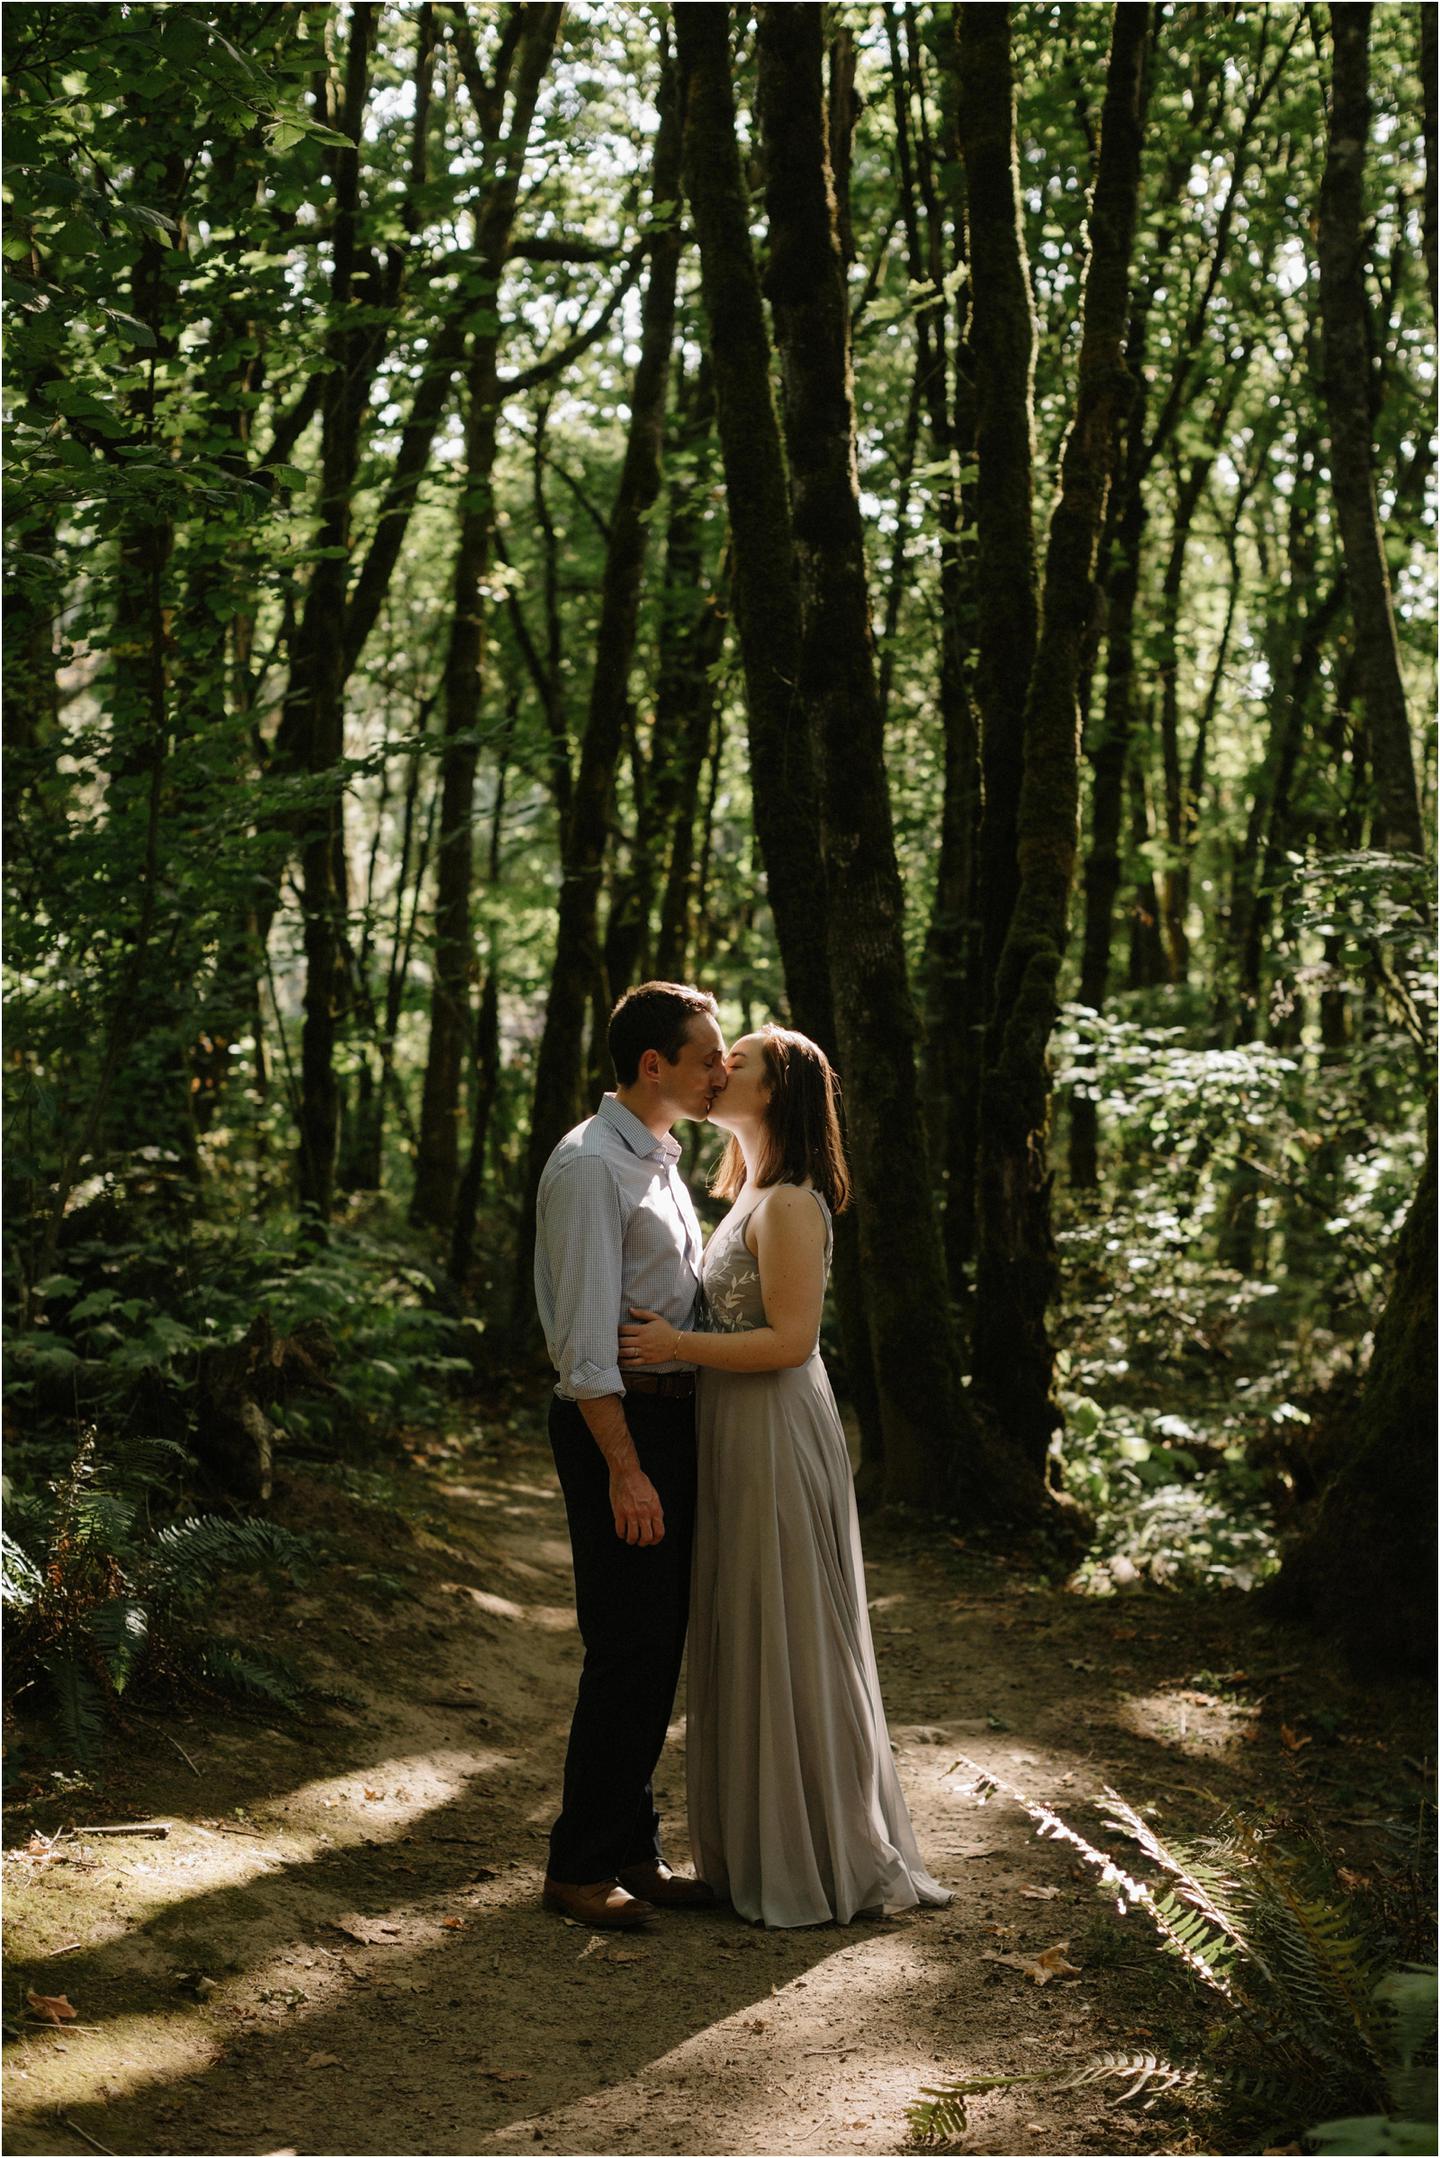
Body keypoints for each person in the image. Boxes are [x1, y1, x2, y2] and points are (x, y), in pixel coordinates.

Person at [620, 1026, 950, 1928]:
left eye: (739, 1063)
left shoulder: (795, 1202)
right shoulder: (749, 1193)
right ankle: (756, 1848)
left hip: (774, 1426)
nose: (719, 1070)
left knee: (791, 1625)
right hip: (733, 1428)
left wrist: (675, 1345)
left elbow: (792, 1341)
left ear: (774, 1093)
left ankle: (819, 1851)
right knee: (747, 1622)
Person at [534, 981, 728, 1931]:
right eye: (707, 1058)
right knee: (626, 1646)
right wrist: (626, 1468)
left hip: (671, 1421)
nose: (720, 1072)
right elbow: (583, 1345)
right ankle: (577, 1866)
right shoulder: (589, 1168)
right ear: (654, 1065)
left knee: (657, 1646)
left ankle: (632, 1848)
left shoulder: (658, 1157)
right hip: (619, 1427)